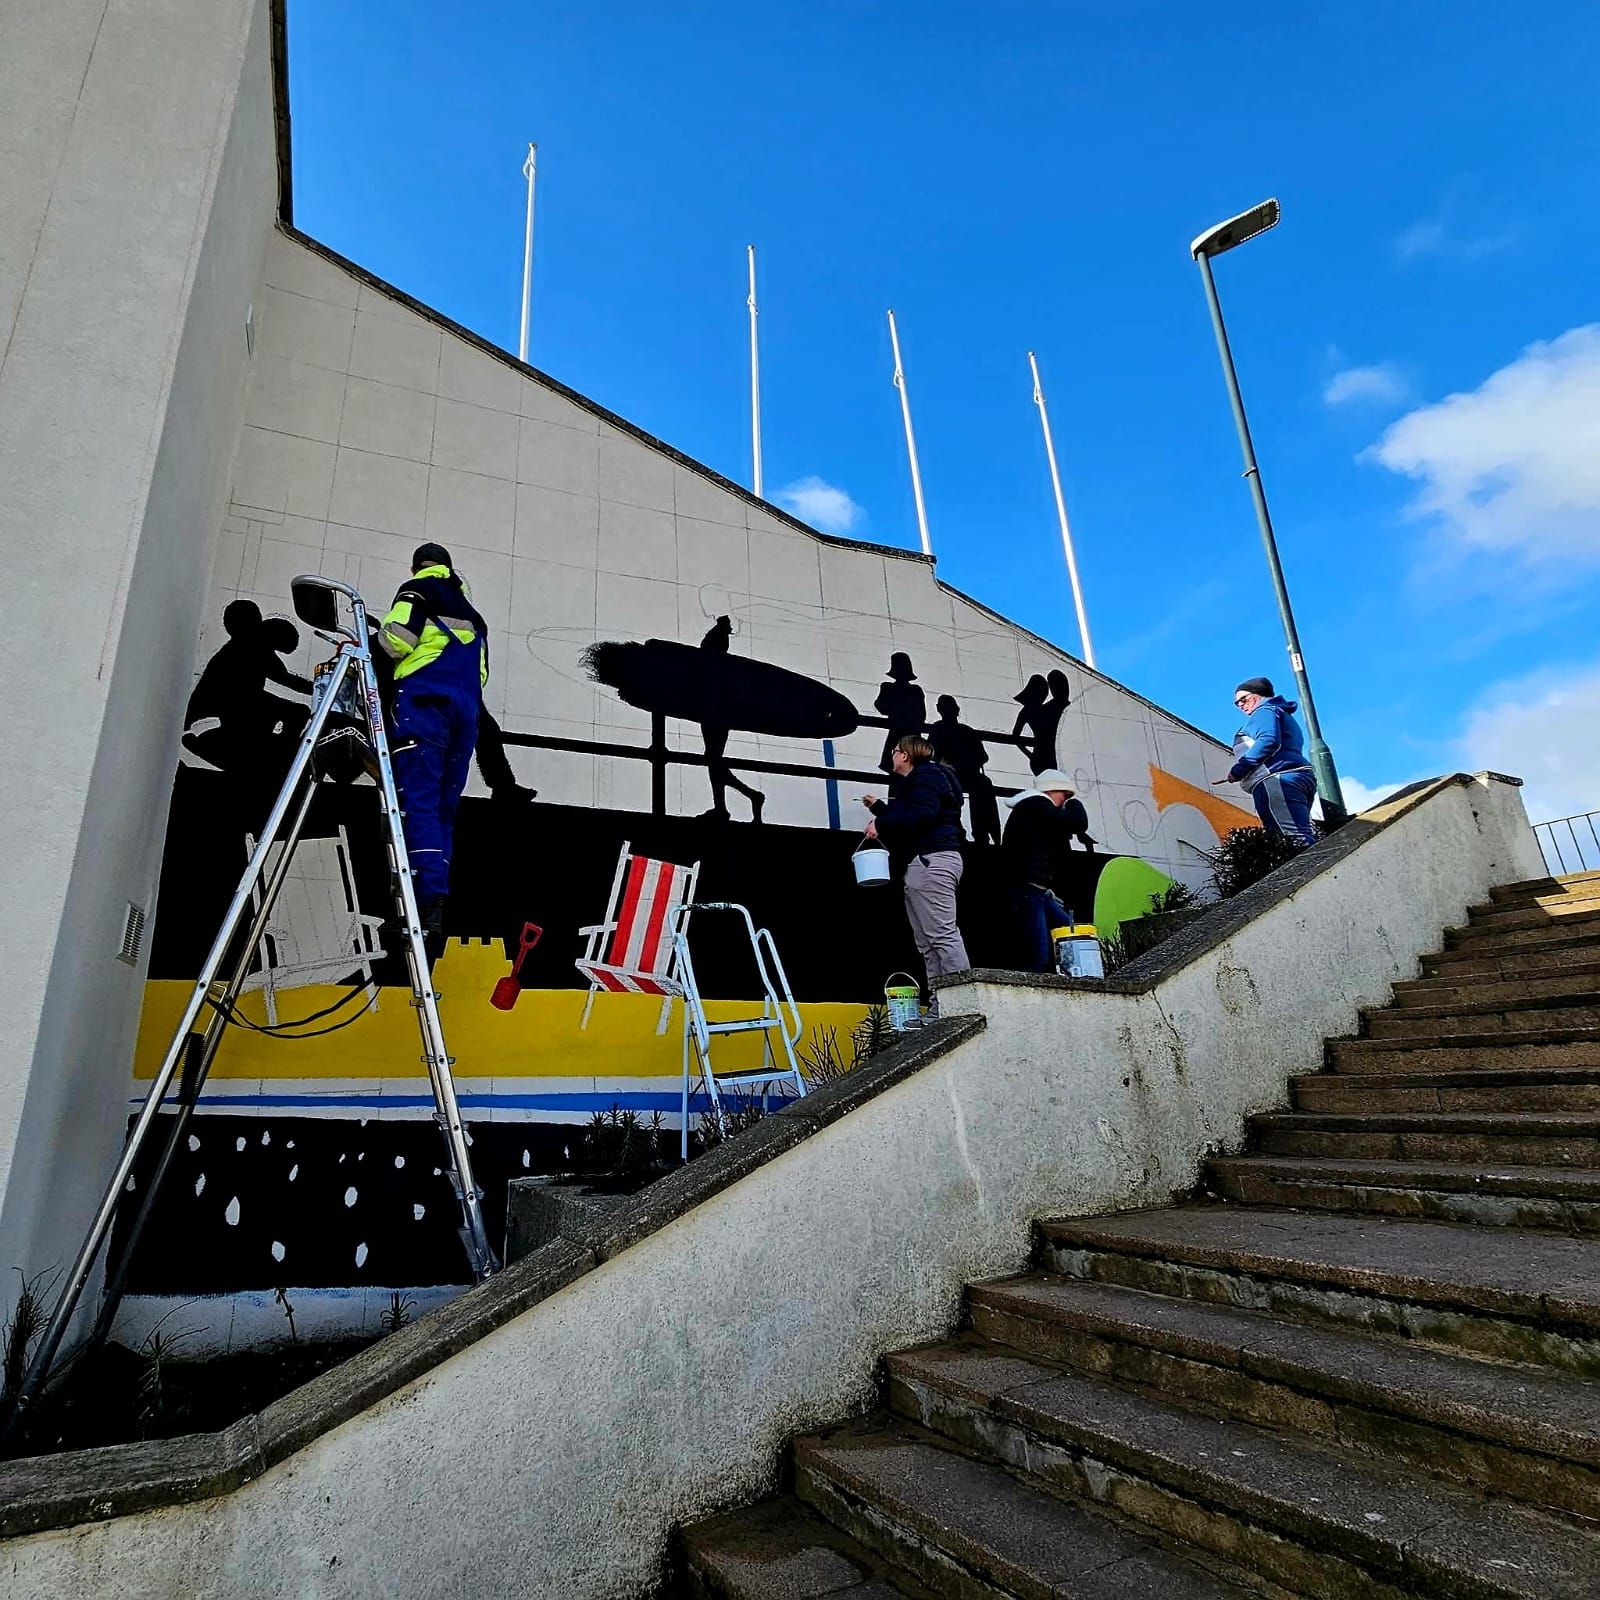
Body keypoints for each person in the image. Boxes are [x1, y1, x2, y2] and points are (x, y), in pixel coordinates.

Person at [377, 543, 491, 939]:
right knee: (443, 810)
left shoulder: (416, 590)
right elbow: (482, 676)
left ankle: (422, 904)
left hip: (425, 705)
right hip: (465, 718)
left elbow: (396, 640)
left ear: (416, 566)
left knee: (417, 803)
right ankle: (435, 906)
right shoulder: (473, 614)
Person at [861, 735, 969, 1007]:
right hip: (928, 861)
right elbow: (918, 814)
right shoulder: (927, 780)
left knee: (941, 936)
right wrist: (881, 810)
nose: (892, 756)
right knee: (928, 941)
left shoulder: (925, 778)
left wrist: (881, 824)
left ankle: (963, 1002)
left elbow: (923, 815)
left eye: (895, 751)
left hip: (932, 860)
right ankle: (941, 1005)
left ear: (905, 755)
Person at [183, 600, 312, 779]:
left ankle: (280, 758)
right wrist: (321, 687)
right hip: (227, 712)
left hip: (236, 707)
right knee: (296, 712)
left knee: (293, 712)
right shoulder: (251, 646)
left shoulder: (251, 644)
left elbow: (284, 676)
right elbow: (287, 679)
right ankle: (282, 760)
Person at [1002, 769, 1091, 972]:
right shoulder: (1036, 805)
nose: (1065, 801)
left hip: (1036, 890)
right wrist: (1074, 804)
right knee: (1039, 951)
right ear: (1051, 790)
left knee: (1072, 933)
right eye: (1065, 795)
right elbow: (1077, 823)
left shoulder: (1033, 809)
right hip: (1029, 888)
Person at [1214, 677, 1317, 846]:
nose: (1240, 705)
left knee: (1291, 840)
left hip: (1277, 780)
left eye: (1243, 699)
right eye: (1237, 703)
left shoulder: (1264, 712)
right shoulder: (1280, 713)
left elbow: (1268, 740)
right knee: (1300, 834)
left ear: (1258, 695)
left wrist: (1239, 770)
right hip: (1298, 777)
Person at [696, 615, 765, 823]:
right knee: (713, 761)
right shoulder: (724, 669)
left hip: (713, 716)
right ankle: (738, 801)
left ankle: (743, 799)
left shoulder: (716, 668)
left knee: (713, 760)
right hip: (716, 716)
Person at [929, 694, 1001, 848]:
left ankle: (983, 833)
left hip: (966, 774)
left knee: (983, 785)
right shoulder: (939, 729)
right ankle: (962, 832)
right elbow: (932, 754)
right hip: (950, 774)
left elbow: (982, 757)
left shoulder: (965, 731)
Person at [1011, 668, 1072, 775]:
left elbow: (1015, 736)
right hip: (1044, 756)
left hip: (1043, 756)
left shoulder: (1046, 708)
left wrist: (1030, 755)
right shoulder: (1044, 709)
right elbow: (1015, 736)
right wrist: (1030, 755)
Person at [874, 652, 925, 775]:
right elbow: (921, 715)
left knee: (896, 771)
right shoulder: (915, 691)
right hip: (911, 738)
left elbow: (881, 707)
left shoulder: (889, 688)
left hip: (898, 736)